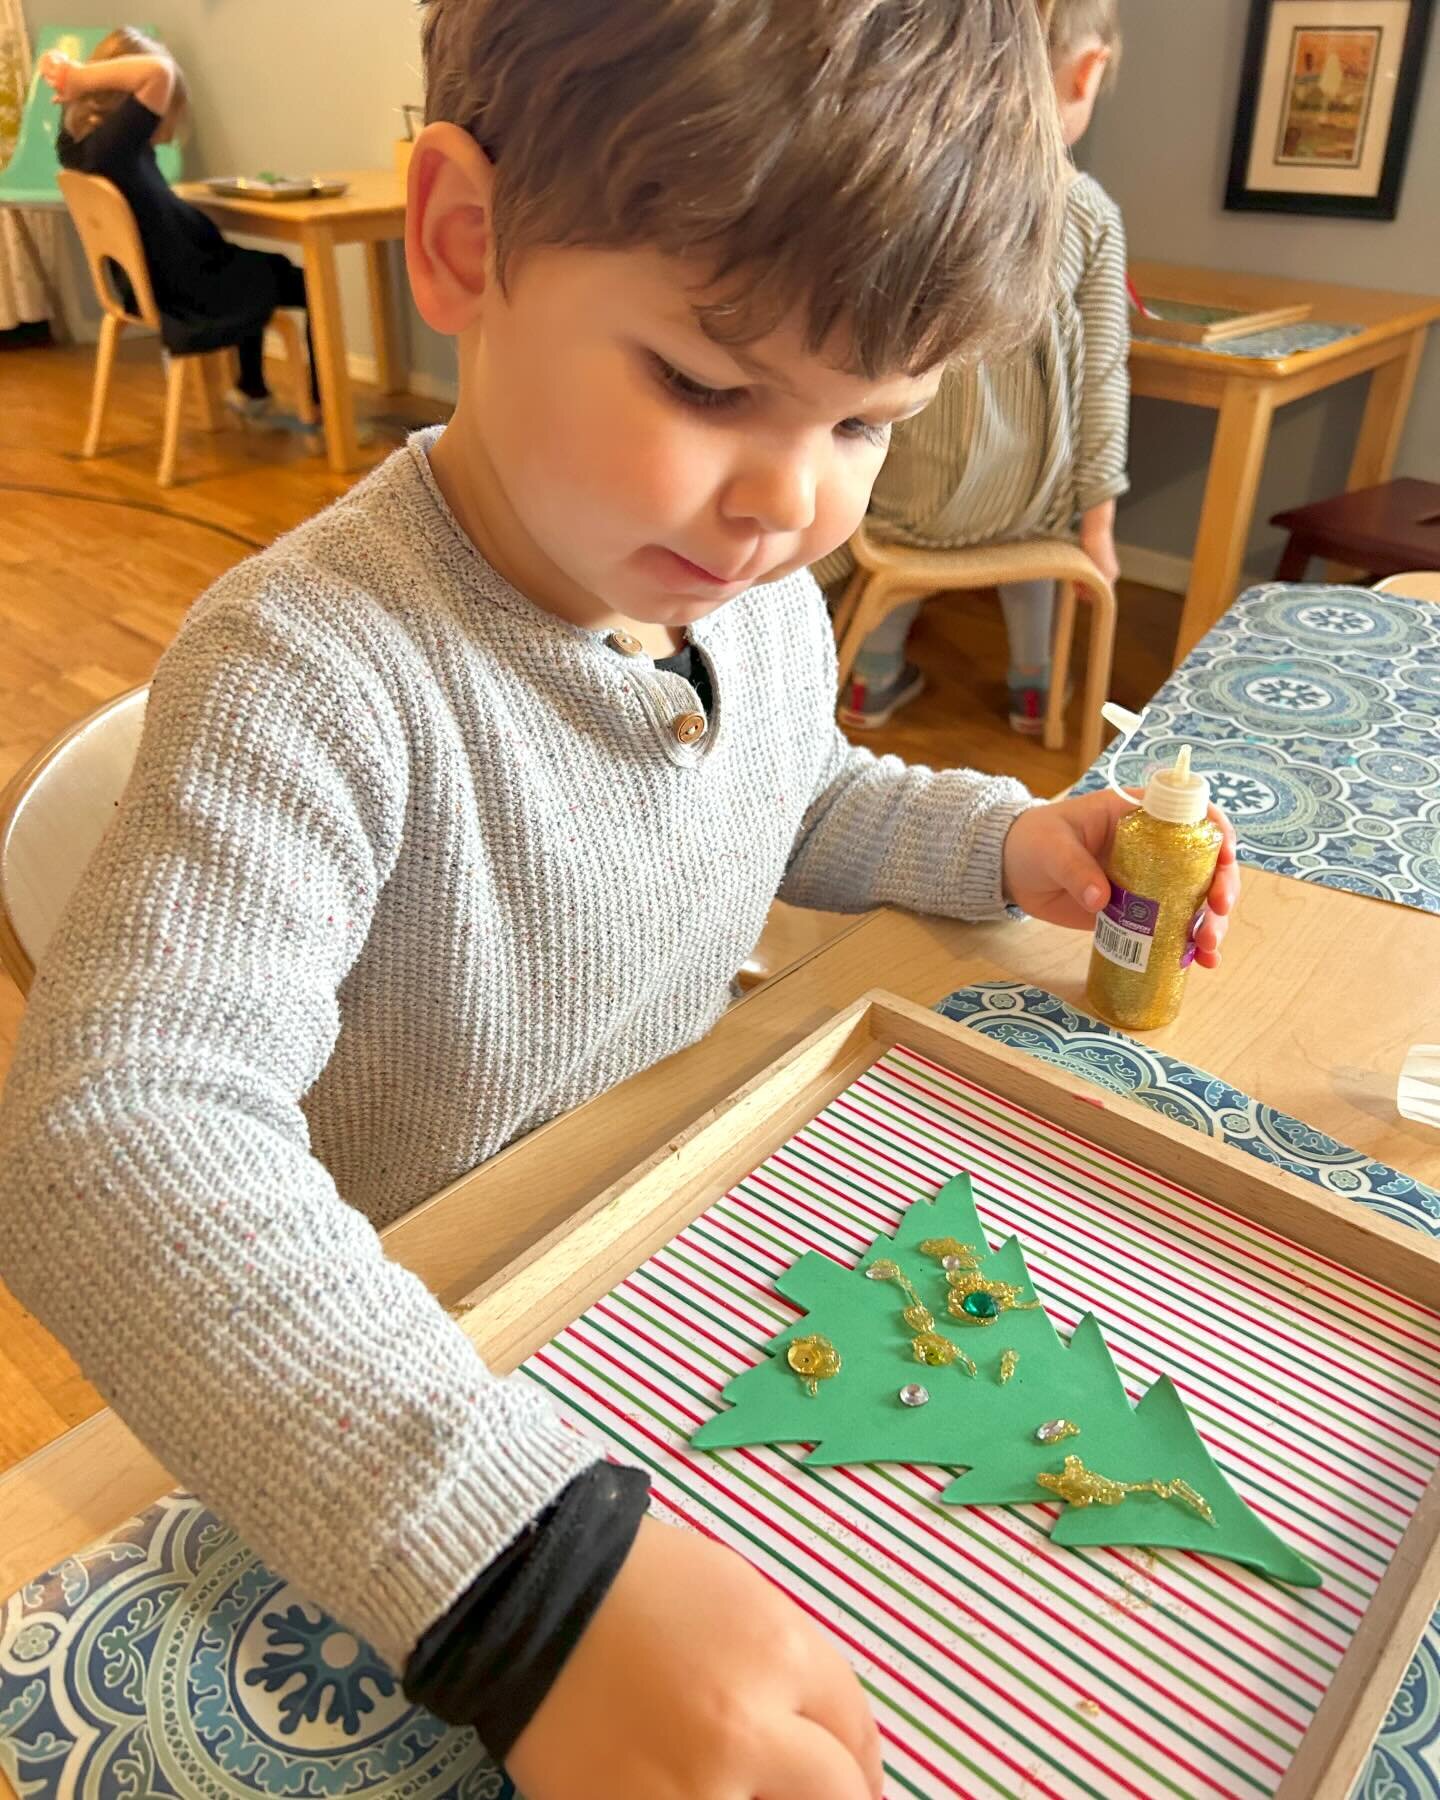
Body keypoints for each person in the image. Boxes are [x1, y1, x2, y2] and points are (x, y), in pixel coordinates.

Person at [0, 3, 1237, 1796]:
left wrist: (999, 845)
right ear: (463, 241)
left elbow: (791, 793)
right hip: (388, 1395)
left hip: (657, 1262)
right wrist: (530, 1591)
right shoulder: (312, 670)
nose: (785, 503)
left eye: (867, 422)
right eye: (708, 387)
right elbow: (113, 1134)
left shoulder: (750, 594)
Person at [816, 0, 1129, 735]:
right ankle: (1034, 689)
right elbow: (1104, 379)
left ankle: (869, 679)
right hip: (1024, 510)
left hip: (898, 503)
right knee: (1033, 537)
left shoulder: (910, 187)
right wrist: (1098, 528)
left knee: (908, 488)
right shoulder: (1088, 214)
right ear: (1088, 72)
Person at [42, 29, 319, 422]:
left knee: (253, 267)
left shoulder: (79, 148)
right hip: (191, 292)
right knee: (306, 284)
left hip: (155, 287)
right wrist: (80, 79)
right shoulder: (116, 147)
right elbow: (159, 70)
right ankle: (325, 409)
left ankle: (251, 390)